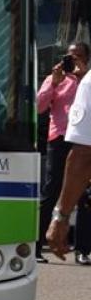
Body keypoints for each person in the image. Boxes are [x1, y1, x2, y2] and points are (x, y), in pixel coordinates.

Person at [39, 42, 91, 263]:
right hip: (59, 138)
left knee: (85, 198)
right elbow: (38, 106)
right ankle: (37, 245)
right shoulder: (55, 78)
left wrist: (82, 77)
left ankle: (83, 250)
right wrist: (54, 84)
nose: (73, 60)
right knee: (51, 191)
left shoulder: (86, 80)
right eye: (69, 56)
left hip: (82, 142)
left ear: (86, 59)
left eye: (78, 56)